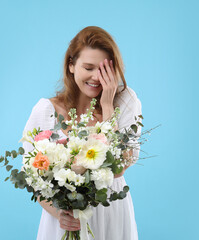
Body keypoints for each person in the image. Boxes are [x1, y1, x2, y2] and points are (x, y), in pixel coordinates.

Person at [22, 26, 142, 240]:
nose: (97, 77)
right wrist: (60, 213)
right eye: (88, 67)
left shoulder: (126, 101)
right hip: (66, 219)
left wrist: (107, 106)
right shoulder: (46, 110)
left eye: (105, 69)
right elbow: (33, 178)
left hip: (110, 211)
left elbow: (119, 166)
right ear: (71, 65)